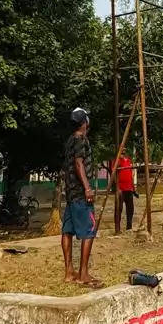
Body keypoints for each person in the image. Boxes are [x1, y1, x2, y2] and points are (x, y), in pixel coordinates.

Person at [61, 107, 101, 287]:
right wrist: (87, 188)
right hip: (80, 194)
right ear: (85, 121)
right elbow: (79, 164)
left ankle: (69, 272)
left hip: (70, 194)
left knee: (67, 231)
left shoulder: (69, 140)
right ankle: (83, 274)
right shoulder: (80, 139)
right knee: (89, 230)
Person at [113, 147, 136, 231]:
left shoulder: (129, 160)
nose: (124, 150)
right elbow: (114, 174)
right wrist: (117, 187)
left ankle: (129, 227)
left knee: (130, 208)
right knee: (119, 208)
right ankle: (117, 228)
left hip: (129, 188)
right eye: (122, 149)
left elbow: (131, 172)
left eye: (125, 149)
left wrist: (133, 187)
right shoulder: (116, 160)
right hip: (120, 188)